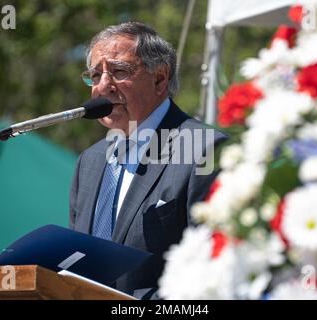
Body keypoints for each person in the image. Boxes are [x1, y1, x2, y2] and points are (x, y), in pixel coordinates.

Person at [69, 21, 226, 299]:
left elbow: (211, 273)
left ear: (160, 79)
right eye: (95, 75)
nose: (103, 87)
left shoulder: (204, 150)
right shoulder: (89, 162)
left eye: (119, 71)